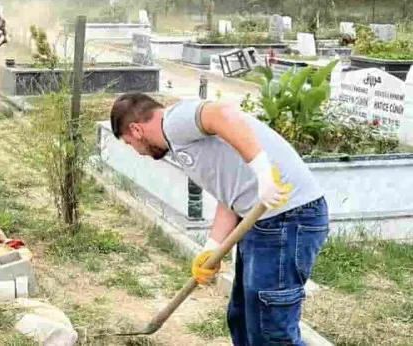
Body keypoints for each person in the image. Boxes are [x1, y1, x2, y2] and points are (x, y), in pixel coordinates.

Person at [109, 93, 328, 346]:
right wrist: (211, 248)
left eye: (129, 143)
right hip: (261, 222)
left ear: (136, 130)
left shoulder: (173, 121)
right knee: (243, 319)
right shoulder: (180, 144)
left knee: (270, 331)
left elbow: (220, 113)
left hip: (289, 217)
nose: (137, 152)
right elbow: (230, 197)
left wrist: (263, 172)